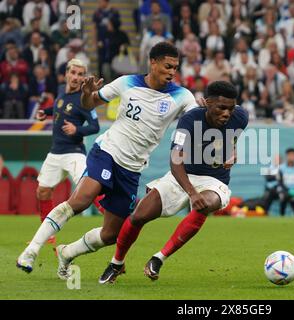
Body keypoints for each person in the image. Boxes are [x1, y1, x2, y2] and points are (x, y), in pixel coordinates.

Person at [16, 42, 198, 276]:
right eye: (168, 66)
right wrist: (86, 94)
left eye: (175, 67)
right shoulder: (126, 83)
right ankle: (31, 251)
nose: (172, 72)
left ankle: (67, 252)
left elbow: (196, 122)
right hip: (107, 152)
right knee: (81, 200)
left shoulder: (182, 96)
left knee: (111, 234)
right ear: (153, 63)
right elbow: (90, 103)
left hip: (132, 169)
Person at [96, 81, 248, 283]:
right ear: (206, 103)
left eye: (230, 108)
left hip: (213, 179)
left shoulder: (241, 116)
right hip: (181, 175)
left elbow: (232, 136)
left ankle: (159, 258)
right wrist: (192, 192)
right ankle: (116, 263)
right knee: (139, 216)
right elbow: (176, 163)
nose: (227, 113)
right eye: (221, 108)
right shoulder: (189, 120)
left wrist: (231, 150)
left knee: (206, 203)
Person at [32, 59, 100, 243]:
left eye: (80, 74)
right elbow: (58, 106)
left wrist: (77, 130)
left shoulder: (84, 99)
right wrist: (45, 113)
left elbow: (95, 126)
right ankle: (48, 236)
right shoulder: (62, 92)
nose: (76, 77)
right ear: (67, 74)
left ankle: (115, 222)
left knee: (91, 188)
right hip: (55, 153)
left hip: (74, 153)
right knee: (43, 191)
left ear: (84, 78)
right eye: (73, 73)